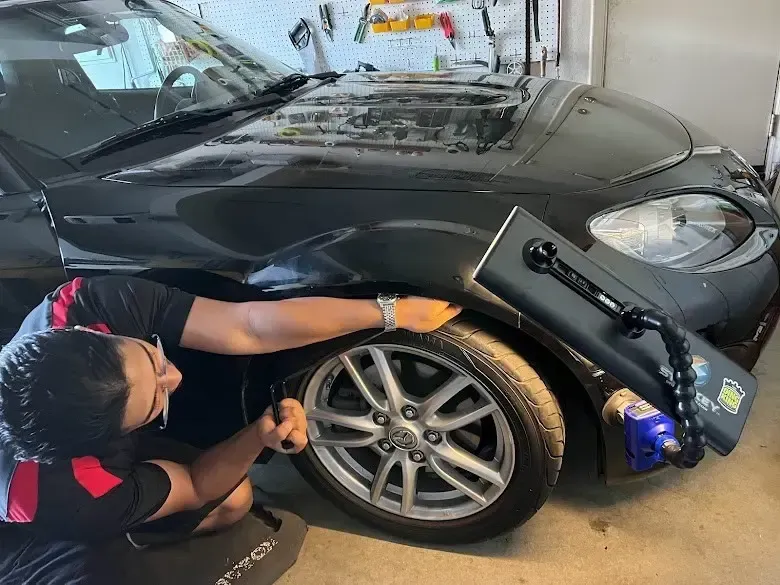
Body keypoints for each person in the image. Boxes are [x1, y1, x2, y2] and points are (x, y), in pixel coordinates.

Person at [0, 275, 460, 583]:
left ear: (94, 334)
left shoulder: (81, 303)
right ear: (104, 442)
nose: (175, 377)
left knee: (237, 499)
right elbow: (198, 486)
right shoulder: (69, 495)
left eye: (152, 357)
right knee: (224, 508)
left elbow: (247, 328)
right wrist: (257, 437)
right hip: (32, 528)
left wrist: (390, 312)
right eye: (157, 402)